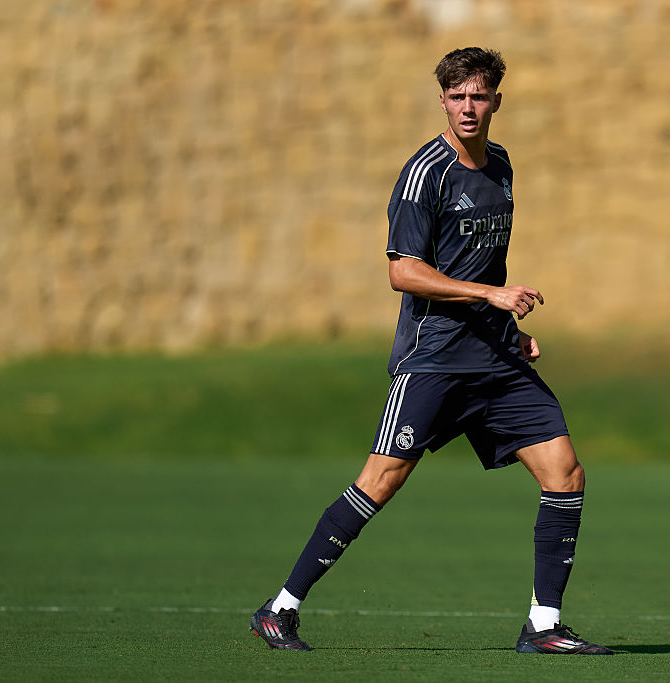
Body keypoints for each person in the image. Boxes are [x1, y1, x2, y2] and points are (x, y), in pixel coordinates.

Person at [249, 47, 612, 656]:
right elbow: (405, 273)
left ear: (497, 99)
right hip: (435, 358)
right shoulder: (425, 172)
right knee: (380, 481)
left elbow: (481, 260)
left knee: (566, 474)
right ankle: (279, 609)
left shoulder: (500, 166)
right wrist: (490, 295)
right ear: (442, 100)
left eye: (479, 96)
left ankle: (544, 625)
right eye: (457, 97)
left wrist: (506, 323)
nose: (468, 107)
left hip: (495, 359)